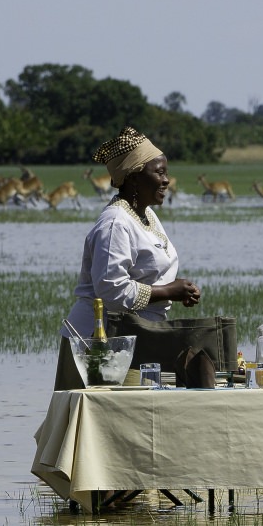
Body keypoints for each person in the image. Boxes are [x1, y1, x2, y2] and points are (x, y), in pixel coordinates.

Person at [55, 125, 202, 389]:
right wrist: (168, 291)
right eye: (159, 172)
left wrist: (176, 289)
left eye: (166, 172)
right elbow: (111, 289)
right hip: (97, 345)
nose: (166, 180)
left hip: (131, 338)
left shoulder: (146, 214)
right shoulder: (115, 223)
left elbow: (146, 272)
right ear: (134, 178)